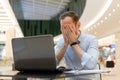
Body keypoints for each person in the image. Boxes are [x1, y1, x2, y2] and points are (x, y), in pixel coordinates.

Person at [54, 11, 99, 80]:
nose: (66, 31)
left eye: (69, 27)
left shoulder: (91, 39)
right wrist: (65, 44)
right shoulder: (61, 41)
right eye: (63, 28)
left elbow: (91, 64)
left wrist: (74, 44)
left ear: (78, 25)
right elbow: (53, 63)